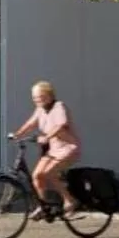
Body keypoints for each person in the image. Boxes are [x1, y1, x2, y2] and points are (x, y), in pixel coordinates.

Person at [11, 81, 81, 214]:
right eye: (34, 97)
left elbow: (61, 125)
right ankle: (43, 206)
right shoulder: (40, 110)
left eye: (39, 96)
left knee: (49, 173)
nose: (36, 100)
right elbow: (31, 123)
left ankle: (70, 200)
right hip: (53, 150)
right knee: (37, 175)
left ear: (49, 95)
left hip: (68, 149)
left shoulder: (59, 106)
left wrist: (47, 137)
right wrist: (17, 134)